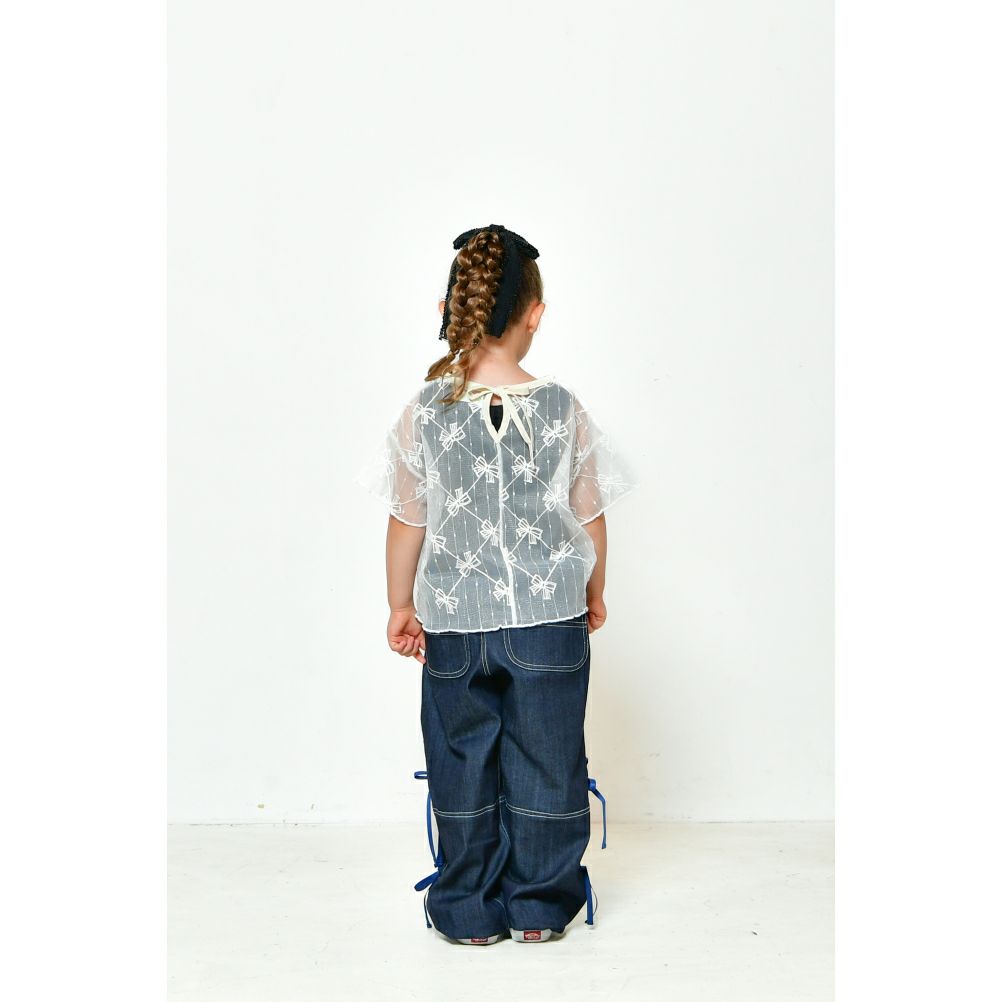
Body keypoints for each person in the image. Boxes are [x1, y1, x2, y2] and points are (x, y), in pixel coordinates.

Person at [354, 223, 637, 946]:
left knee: (460, 762)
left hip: (454, 620)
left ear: (454, 309)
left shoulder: (426, 410)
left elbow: (407, 521)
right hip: (548, 619)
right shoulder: (561, 407)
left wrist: (400, 604)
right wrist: (593, 591)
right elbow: (590, 517)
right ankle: (538, 907)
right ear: (534, 314)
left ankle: (468, 911)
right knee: (549, 761)